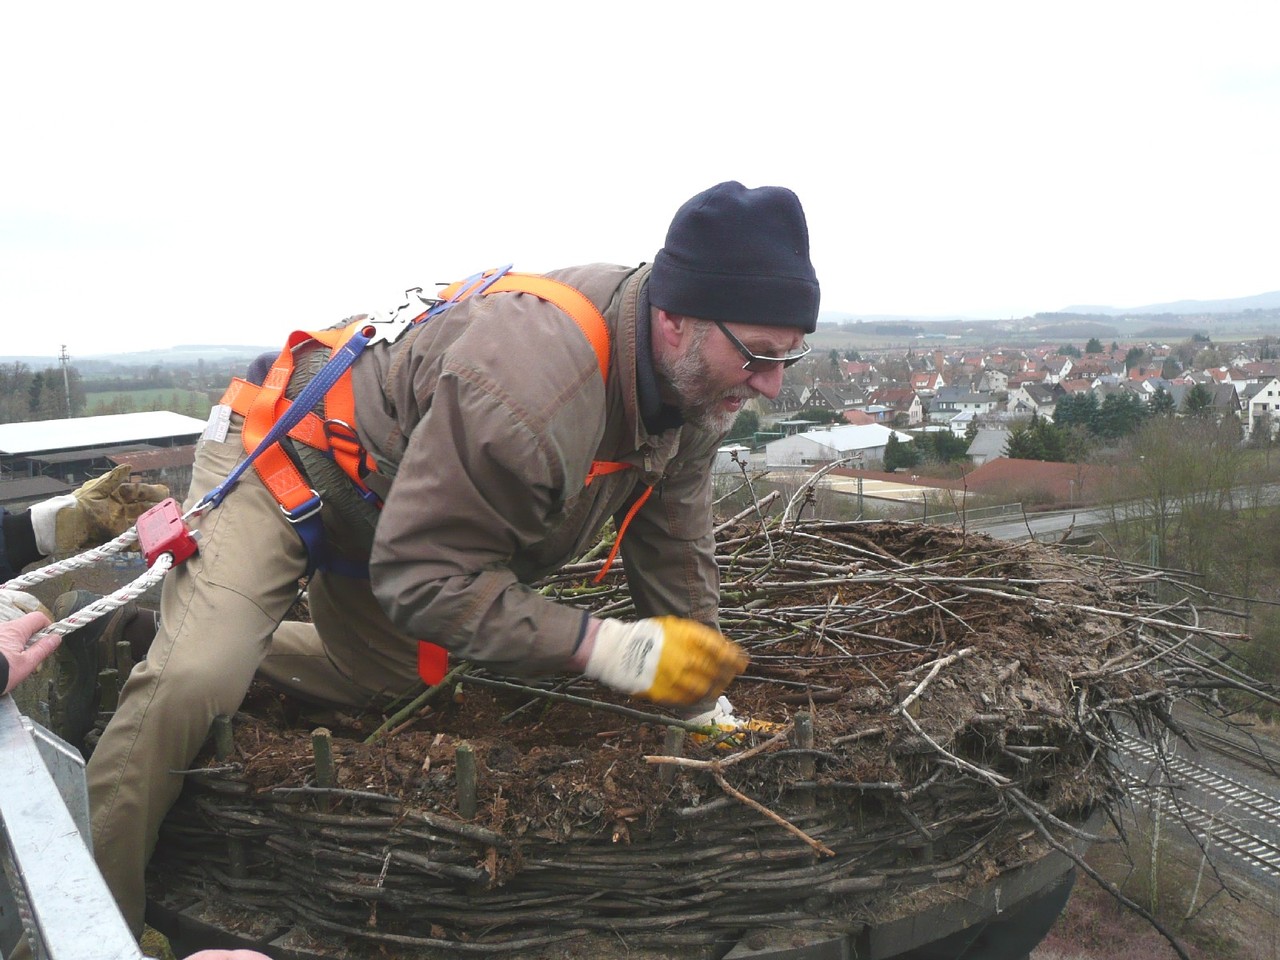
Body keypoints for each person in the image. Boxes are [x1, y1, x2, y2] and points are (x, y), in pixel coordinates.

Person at [77, 180, 822, 938]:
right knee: (193, 682)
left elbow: (675, 539)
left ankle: (182, 632)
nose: (771, 385)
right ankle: (87, 925)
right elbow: (423, 580)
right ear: (675, 319)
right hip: (283, 463)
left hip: (387, 510)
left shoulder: (695, 389)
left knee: (408, 675)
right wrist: (609, 647)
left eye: (789, 357)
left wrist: (701, 699)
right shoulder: (531, 389)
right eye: (759, 356)